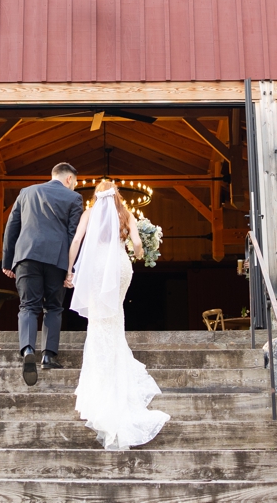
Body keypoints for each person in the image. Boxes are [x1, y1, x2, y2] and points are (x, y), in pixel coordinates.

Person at [65, 178, 169, 450]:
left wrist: (69, 269)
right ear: (117, 196)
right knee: (115, 315)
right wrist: (137, 253)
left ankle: (100, 382)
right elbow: (136, 243)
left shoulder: (89, 213)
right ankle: (116, 368)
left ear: (96, 197)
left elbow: (77, 240)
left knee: (99, 321)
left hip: (97, 267)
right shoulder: (126, 214)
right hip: (120, 267)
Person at [1, 162, 84, 385]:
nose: (74, 187)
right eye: (74, 183)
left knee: (28, 305)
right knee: (54, 307)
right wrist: (71, 269)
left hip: (27, 256)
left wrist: (8, 261)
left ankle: (28, 348)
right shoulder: (73, 199)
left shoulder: (26, 192)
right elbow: (73, 235)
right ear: (69, 179)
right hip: (57, 260)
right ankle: (48, 355)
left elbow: (12, 227)